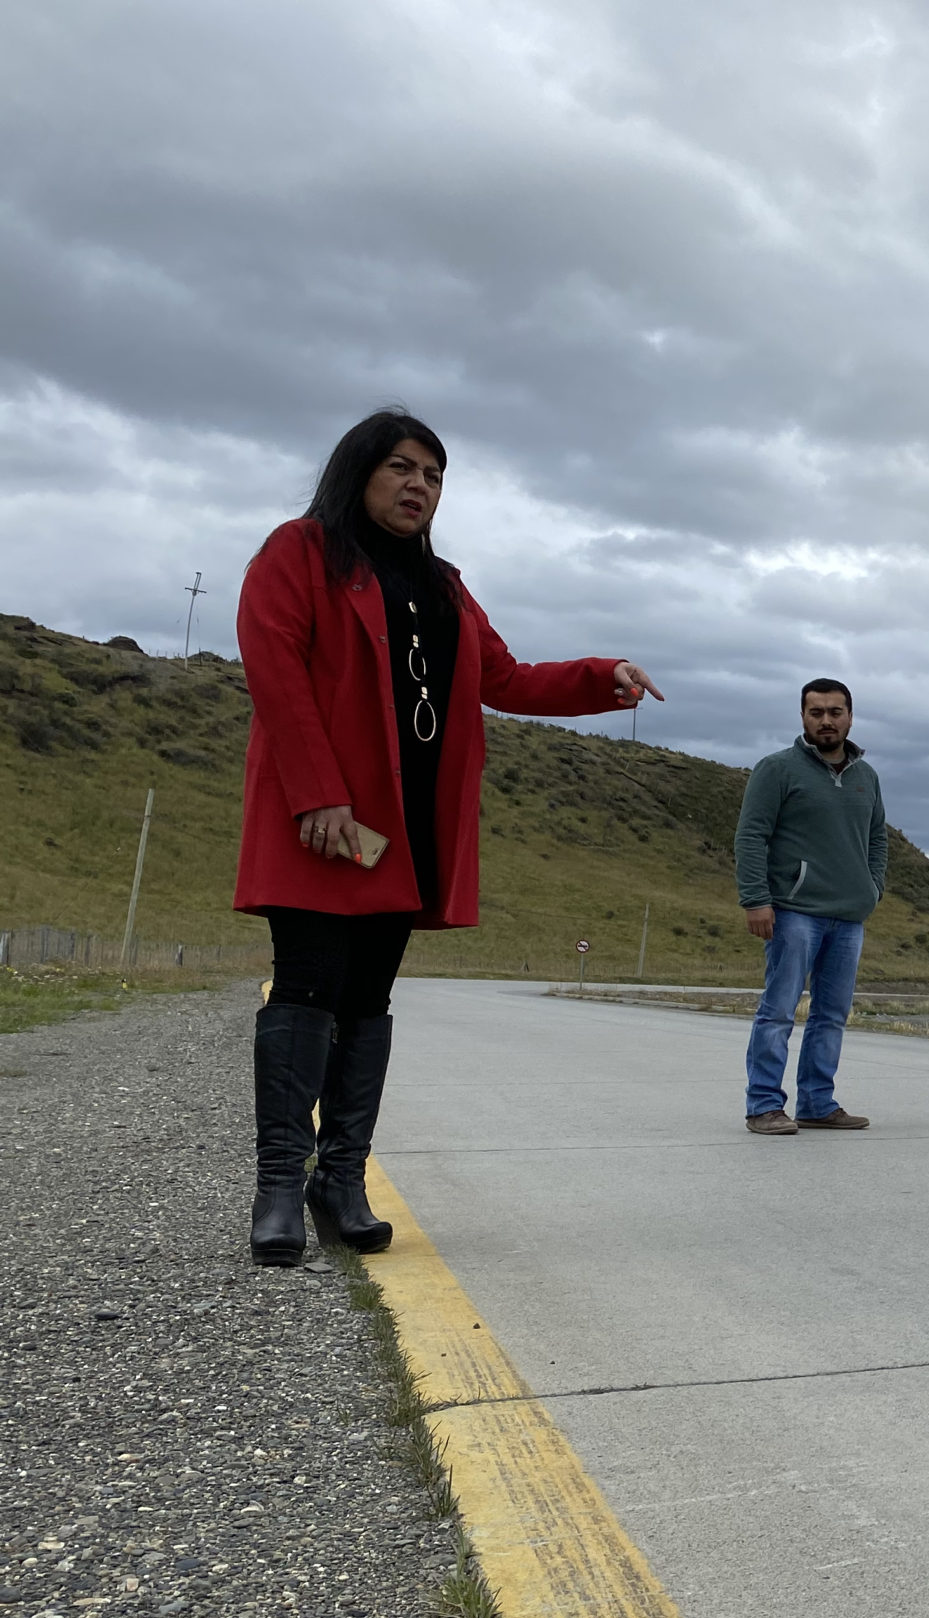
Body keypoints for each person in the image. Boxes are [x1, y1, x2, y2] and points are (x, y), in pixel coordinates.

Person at [234, 408, 662, 1266]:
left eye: (433, 474)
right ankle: (280, 1185)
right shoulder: (302, 551)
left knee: (368, 997)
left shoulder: (446, 586)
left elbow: (501, 676)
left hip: (404, 831)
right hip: (326, 822)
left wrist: (599, 678)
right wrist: (318, 794)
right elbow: (273, 665)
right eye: (401, 466)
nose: (418, 485)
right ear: (359, 471)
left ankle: (340, 1180)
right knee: (308, 984)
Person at [734, 679, 889, 1133]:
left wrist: (872, 887)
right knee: (779, 1010)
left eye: (835, 712)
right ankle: (763, 1105)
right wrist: (755, 900)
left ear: (850, 717)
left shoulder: (867, 776)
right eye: (816, 712)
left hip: (849, 916)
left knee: (831, 1015)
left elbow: (877, 837)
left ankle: (818, 1103)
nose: (827, 720)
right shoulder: (777, 769)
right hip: (793, 912)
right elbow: (750, 836)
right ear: (803, 717)